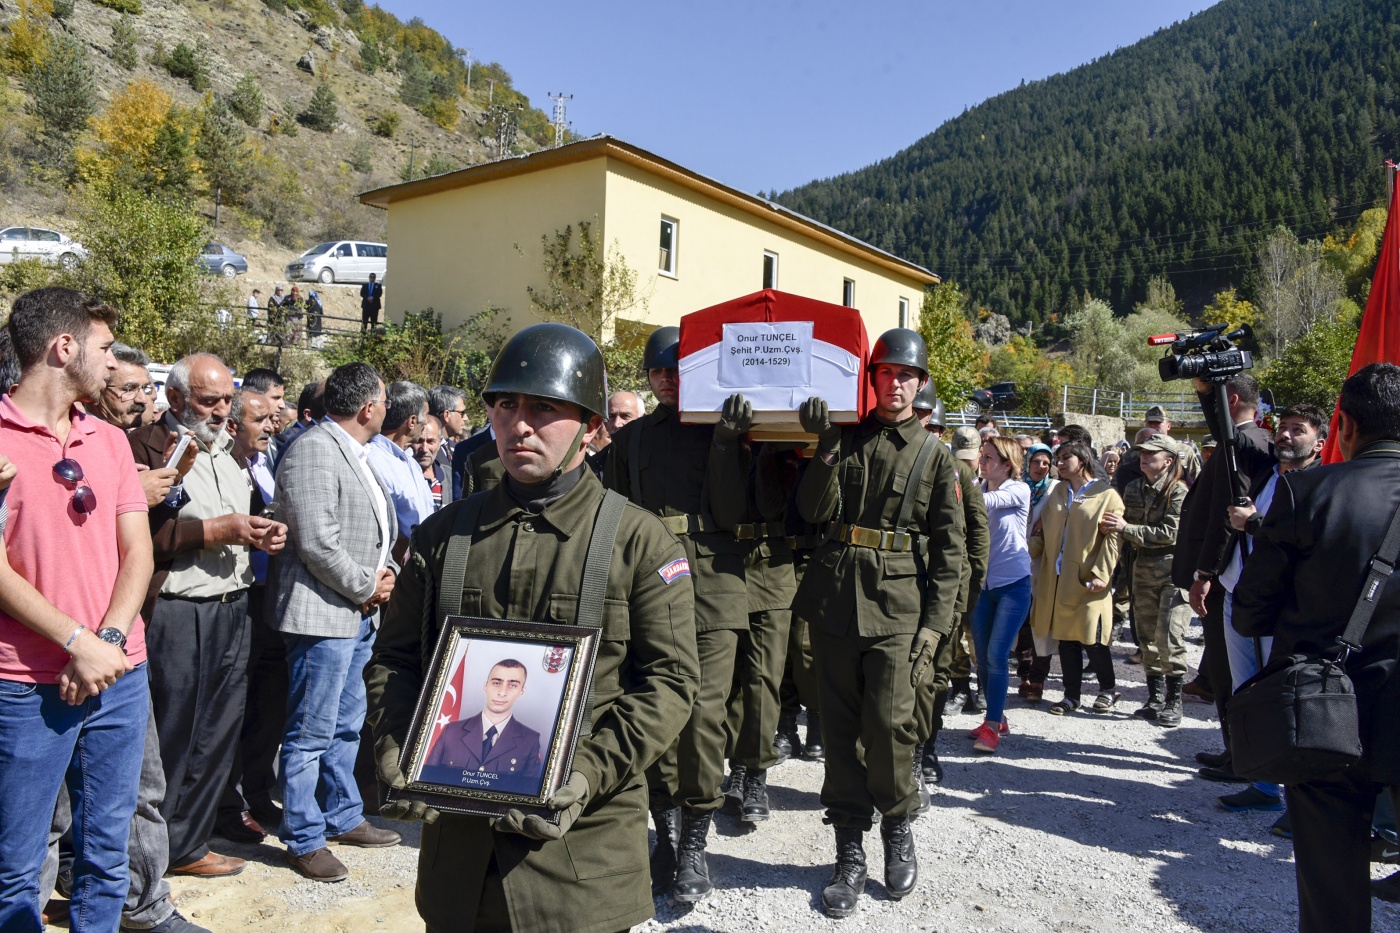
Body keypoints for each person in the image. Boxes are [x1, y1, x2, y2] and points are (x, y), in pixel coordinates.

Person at [366, 322, 699, 933]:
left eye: (545, 409)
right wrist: (394, 743)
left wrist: (589, 771)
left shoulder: (639, 541)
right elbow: (395, 660)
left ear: (593, 429)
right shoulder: (444, 536)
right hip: (460, 867)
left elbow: (671, 684)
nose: (519, 425)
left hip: (579, 863)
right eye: (505, 404)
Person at [793, 328, 965, 918]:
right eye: (884, 373)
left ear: (920, 385)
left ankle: (897, 825)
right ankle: (848, 852)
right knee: (837, 730)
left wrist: (935, 628)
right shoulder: (847, 438)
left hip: (900, 609)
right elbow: (812, 512)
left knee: (891, 728)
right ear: (873, 380)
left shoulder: (935, 457)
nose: (894, 384)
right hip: (837, 600)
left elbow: (951, 553)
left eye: (905, 375)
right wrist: (823, 448)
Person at [0, 288, 154, 932]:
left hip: (120, 673)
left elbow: (138, 553)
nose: (113, 365)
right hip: (27, 681)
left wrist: (107, 642)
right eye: (104, 350)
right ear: (63, 349)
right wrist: (76, 641)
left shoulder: (110, 441)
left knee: (105, 854)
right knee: (16, 865)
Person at [1231, 363, 1400, 933]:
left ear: (1345, 425)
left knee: (1332, 891)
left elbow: (1251, 607)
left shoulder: (1309, 493)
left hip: (1329, 711)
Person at [127, 354, 287, 880]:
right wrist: (219, 531)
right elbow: (140, 537)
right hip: (178, 609)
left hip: (233, 605)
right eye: (209, 401)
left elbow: (238, 521)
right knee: (175, 733)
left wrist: (262, 531)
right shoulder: (145, 449)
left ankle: (188, 843)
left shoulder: (228, 451)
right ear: (176, 400)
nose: (222, 411)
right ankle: (150, 851)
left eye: (226, 400)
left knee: (218, 732)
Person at [603, 325, 748, 902]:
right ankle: (663, 832)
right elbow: (607, 513)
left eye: (677, 368)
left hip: (712, 586)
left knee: (705, 718)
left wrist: (726, 444)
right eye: (657, 370)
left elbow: (736, 508)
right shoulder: (631, 440)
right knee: (653, 710)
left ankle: (694, 840)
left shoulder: (725, 431)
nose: (666, 378)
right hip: (649, 586)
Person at [273, 364, 402, 882]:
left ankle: (342, 814)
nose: (389, 408)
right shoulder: (313, 450)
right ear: (368, 408)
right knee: (310, 731)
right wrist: (368, 584)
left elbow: (372, 529)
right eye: (385, 400)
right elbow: (316, 540)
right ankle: (303, 836)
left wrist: (385, 570)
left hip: (354, 614)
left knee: (346, 724)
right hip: (322, 615)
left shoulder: (354, 451)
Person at [1210, 398, 1329, 814]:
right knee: (1247, 691)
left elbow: (1302, 540)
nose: (1286, 434)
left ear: (1320, 441)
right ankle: (1262, 783)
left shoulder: (1321, 484)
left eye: (1299, 429)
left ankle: (1294, 792)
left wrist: (1255, 523)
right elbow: (1226, 434)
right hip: (1237, 595)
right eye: (1284, 426)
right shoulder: (1265, 473)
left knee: (1280, 695)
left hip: (1277, 606)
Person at [1177, 374, 1268, 782]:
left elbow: (1229, 515)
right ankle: (1234, 750)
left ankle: (1241, 756)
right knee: (1223, 666)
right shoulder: (1246, 440)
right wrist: (1203, 390)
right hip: (1226, 574)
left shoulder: (1248, 445)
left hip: (1226, 575)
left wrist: (1206, 572)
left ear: (1230, 400)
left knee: (1230, 671)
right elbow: (1223, 428)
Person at [214, 390, 287, 846]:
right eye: (260, 419)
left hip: (269, 595)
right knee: (234, 706)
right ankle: (227, 803)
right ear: (234, 424)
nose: (270, 426)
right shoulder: (221, 463)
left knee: (268, 703)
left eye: (272, 418)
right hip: (235, 595)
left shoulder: (267, 461)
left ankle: (257, 791)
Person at [1028, 440, 1124, 714]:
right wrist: (1026, 553)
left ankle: (1108, 689)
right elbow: (1043, 533)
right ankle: (1071, 695)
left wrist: (1101, 573)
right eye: (1057, 457)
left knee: (1091, 638)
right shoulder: (1058, 492)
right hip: (1056, 578)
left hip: (1087, 579)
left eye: (1064, 457)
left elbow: (1112, 541)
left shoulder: (1107, 495)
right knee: (1067, 640)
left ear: (1082, 460)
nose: (1058, 463)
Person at [1101, 434, 1190, 726]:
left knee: (1170, 636)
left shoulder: (1178, 492)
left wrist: (1127, 529)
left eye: (1152, 453)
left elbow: (1170, 533)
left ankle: (1174, 701)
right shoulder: (1133, 487)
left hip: (1172, 572)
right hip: (1140, 569)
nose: (1144, 456)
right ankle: (1154, 699)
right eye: (1142, 452)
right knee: (1146, 637)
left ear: (1168, 460)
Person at [968, 436, 1031, 754]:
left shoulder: (1018, 489)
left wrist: (955, 484)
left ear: (1008, 464)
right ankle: (997, 716)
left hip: (1013, 586)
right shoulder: (978, 489)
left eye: (990, 457)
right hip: (983, 587)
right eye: (982, 455)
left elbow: (984, 505)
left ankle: (992, 728)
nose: (983, 461)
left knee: (996, 655)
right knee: (982, 656)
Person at [420, 660, 544, 793]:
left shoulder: (530, 740)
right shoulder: (452, 732)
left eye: (513, 685)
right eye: (496, 683)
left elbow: (528, 792)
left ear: (521, 691)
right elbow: (426, 780)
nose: (502, 692)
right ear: (485, 686)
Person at [365, 381, 434, 562]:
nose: (426, 422)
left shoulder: (409, 461)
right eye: (425, 415)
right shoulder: (374, 460)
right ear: (411, 421)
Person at [1015, 442, 1059, 702]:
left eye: (1046, 463)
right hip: (1017, 561)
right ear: (1027, 462)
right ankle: (1024, 674)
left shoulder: (1055, 490)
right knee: (1020, 623)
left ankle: (1039, 677)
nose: (1041, 467)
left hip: (1044, 562)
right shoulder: (1018, 487)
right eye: (1036, 461)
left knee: (1042, 623)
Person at [413, 413, 452, 511]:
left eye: (430, 442)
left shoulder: (449, 476)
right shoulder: (403, 476)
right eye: (419, 441)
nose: (425, 449)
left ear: (440, 442)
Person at [428, 385, 469, 460]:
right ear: (446, 415)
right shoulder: (425, 452)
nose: (466, 418)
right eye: (462, 413)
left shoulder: (458, 449)